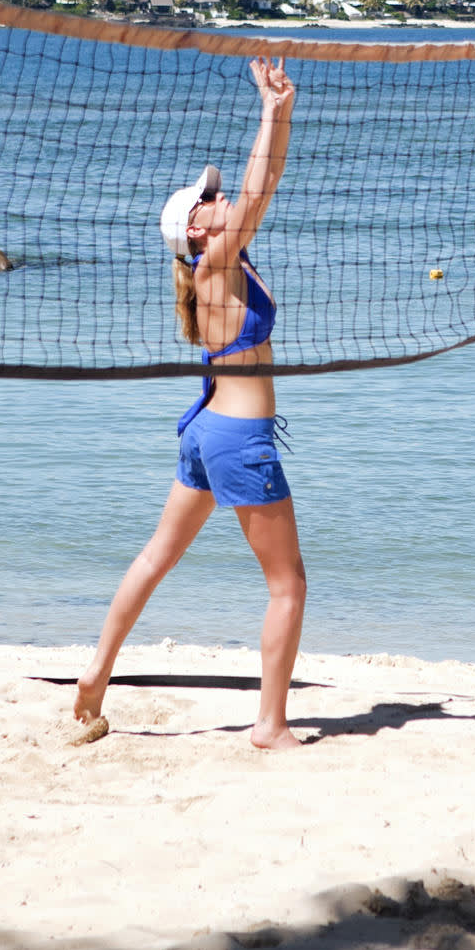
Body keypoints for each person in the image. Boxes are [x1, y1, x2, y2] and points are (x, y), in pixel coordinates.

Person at [74, 56, 306, 751]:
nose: (219, 197)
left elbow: (260, 190)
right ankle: (269, 725)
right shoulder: (216, 266)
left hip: (207, 430)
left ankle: (96, 671)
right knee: (288, 586)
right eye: (208, 199)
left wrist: (280, 112)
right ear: (198, 233)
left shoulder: (221, 267)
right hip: (237, 437)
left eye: (212, 193)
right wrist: (271, 111)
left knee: (156, 557)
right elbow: (260, 187)